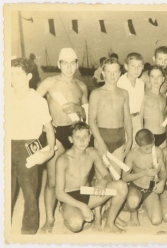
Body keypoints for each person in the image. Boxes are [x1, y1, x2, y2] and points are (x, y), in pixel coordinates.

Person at [37, 47, 88, 233]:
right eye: (64, 63)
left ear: (76, 64)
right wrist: (43, 125)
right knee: (51, 181)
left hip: (76, 134)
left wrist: (77, 107)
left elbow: (85, 114)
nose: (68, 67)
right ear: (59, 64)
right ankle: (49, 219)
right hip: (56, 133)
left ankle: (68, 206)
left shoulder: (81, 86)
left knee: (77, 178)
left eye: (72, 63)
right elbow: (32, 104)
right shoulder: (49, 83)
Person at [55, 122, 128, 233]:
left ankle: (109, 224)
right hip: (69, 198)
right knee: (76, 224)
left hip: (87, 193)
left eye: (85, 137)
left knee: (122, 186)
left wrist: (102, 182)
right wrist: (83, 206)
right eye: (78, 137)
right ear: (71, 139)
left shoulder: (92, 153)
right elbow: (59, 194)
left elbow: (107, 175)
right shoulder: (63, 160)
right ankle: (66, 211)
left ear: (89, 138)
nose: (82, 141)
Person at [10, 58, 55, 234]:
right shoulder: (4, 95)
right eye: (11, 73)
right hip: (7, 144)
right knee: (6, 189)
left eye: (18, 74)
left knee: (29, 192)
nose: (14, 78)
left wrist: (50, 150)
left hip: (29, 145)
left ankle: (28, 230)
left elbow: (49, 129)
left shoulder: (38, 100)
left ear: (29, 76)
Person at [89, 57, 133, 176]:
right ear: (103, 73)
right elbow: (91, 121)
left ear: (120, 73)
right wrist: (100, 142)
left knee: (117, 176)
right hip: (102, 137)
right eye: (109, 72)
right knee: (102, 177)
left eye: (115, 72)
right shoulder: (96, 93)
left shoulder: (124, 93)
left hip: (119, 138)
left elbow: (127, 119)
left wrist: (130, 140)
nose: (112, 75)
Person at [123, 129, 167, 226]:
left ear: (154, 140)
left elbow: (163, 171)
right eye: (146, 148)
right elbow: (125, 177)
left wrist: (162, 182)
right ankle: (133, 215)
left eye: (151, 147)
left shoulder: (158, 151)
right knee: (133, 202)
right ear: (138, 145)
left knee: (157, 221)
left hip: (151, 188)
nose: (150, 150)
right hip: (136, 187)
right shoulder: (132, 154)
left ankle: (146, 204)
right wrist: (143, 173)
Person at [140, 65, 167, 148]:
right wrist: (141, 137)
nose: (156, 79)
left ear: (163, 79)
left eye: (159, 76)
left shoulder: (164, 96)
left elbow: (164, 115)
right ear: (149, 79)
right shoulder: (144, 95)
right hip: (149, 136)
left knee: (162, 160)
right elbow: (139, 118)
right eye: (153, 76)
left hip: (163, 135)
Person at [117, 53, 145, 149]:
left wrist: (140, 123)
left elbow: (141, 105)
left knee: (137, 147)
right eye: (133, 66)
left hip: (137, 119)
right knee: (125, 146)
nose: (136, 69)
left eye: (139, 66)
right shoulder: (120, 82)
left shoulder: (141, 83)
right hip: (124, 120)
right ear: (126, 66)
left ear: (143, 67)